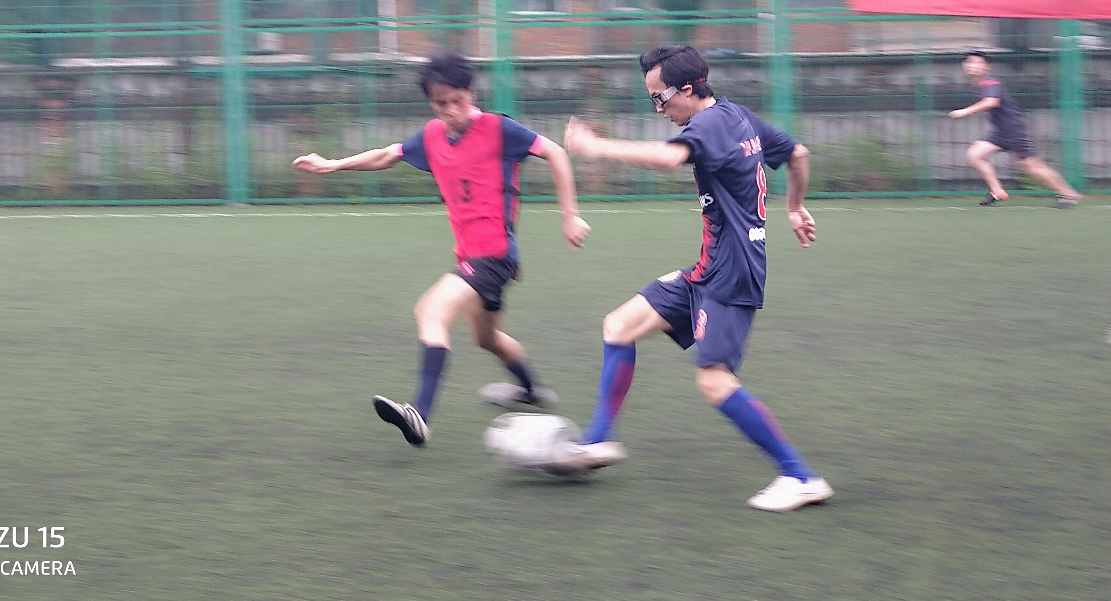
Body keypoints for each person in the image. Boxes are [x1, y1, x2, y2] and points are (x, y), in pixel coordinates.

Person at [556, 44, 832, 512]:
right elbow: (798, 153)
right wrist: (795, 206)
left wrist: (596, 147)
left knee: (714, 380)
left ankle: (800, 477)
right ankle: (598, 440)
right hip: (709, 269)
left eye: (660, 98)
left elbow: (669, 159)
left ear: (687, 89)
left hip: (732, 274)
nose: (658, 109)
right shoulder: (738, 116)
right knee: (619, 326)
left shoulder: (709, 124)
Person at [292, 52, 591, 448]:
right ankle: (532, 390)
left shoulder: (499, 129)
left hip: (493, 255)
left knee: (430, 311)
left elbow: (555, 152)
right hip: (474, 256)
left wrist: (570, 216)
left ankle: (420, 415)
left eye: (457, 100)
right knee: (486, 338)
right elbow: (387, 155)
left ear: (471, 93)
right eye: (440, 103)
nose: (451, 110)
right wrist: (332, 164)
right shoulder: (432, 136)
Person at [950, 50, 1081, 208]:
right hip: (1001, 131)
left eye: (978, 63)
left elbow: (991, 102)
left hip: (1013, 130)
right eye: (970, 62)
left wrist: (965, 111)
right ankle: (997, 191)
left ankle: (1069, 194)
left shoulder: (990, 82)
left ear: (987, 67)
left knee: (1031, 166)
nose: (973, 65)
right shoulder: (980, 84)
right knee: (975, 154)